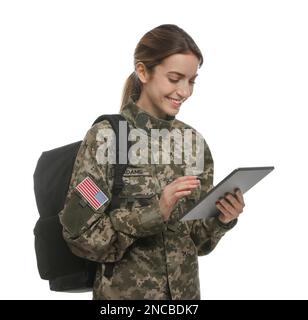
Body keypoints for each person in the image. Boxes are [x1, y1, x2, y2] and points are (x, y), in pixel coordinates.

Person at [59, 24, 245, 300]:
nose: (184, 91)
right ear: (143, 71)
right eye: (174, 78)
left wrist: (221, 219)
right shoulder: (107, 139)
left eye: (191, 81)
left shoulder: (193, 143)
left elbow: (195, 242)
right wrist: (156, 212)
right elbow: (82, 236)